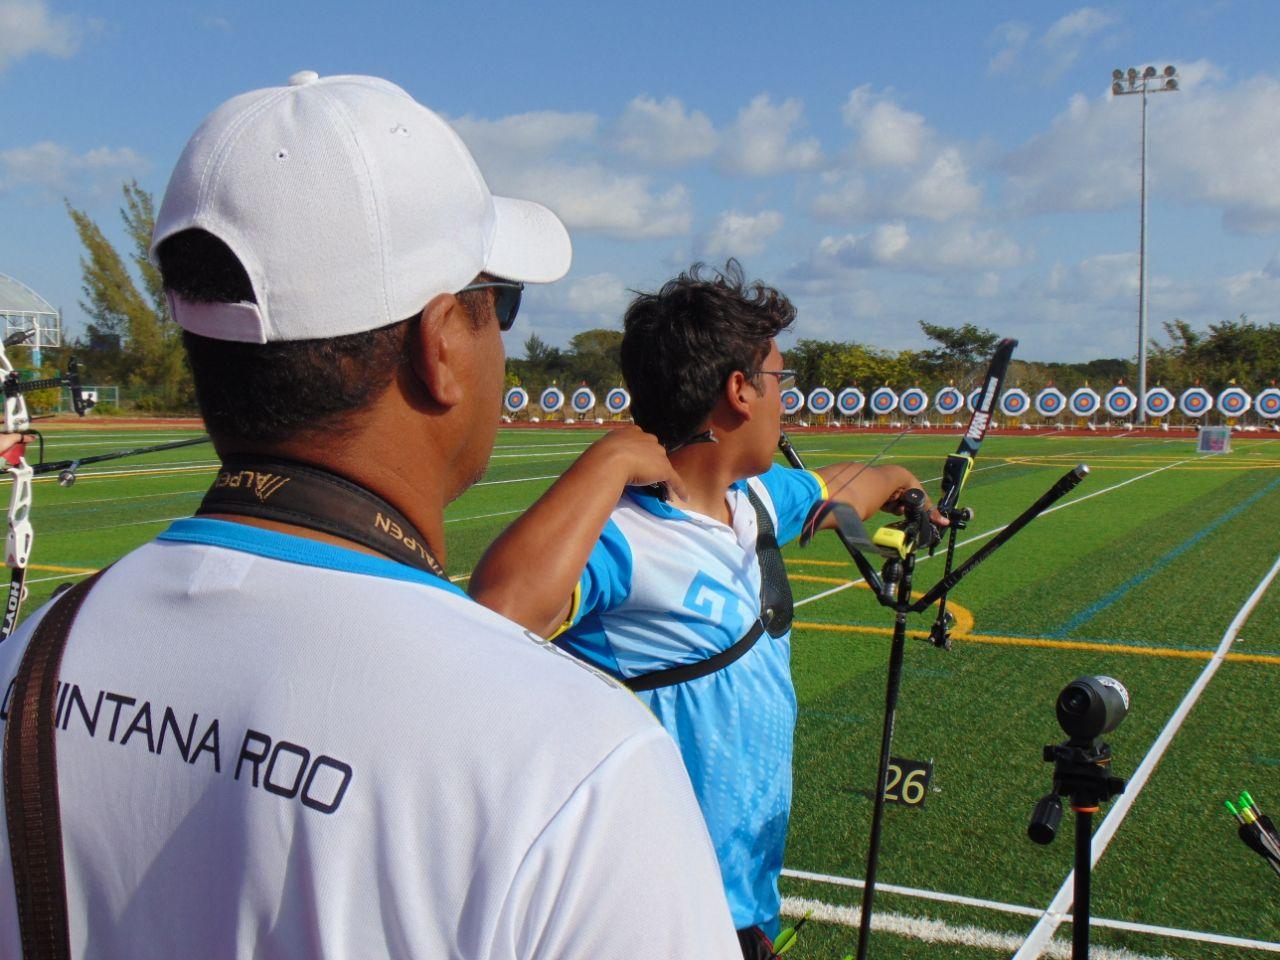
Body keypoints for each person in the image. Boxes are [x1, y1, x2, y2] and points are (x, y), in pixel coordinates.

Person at [0, 73, 740, 959]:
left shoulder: (30, 656)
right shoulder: (572, 762)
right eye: (499, 303)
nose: (502, 336)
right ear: (440, 348)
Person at [469, 261, 945, 957]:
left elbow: (836, 487)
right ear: (739, 393)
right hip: (651, 911)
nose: (789, 400)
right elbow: (496, 612)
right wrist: (606, 461)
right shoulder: (621, 534)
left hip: (744, 897)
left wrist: (901, 481)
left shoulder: (752, 501)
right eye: (780, 380)